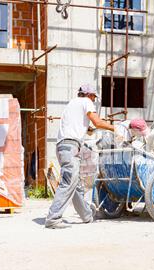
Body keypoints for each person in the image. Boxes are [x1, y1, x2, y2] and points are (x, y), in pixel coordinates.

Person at [45, 84, 114, 229]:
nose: (94, 101)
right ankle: (53, 218)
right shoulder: (86, 102)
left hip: (63, 147)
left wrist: (90, 129)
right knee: (68, 182)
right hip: (70, 147)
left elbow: (87, 127)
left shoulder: (72, 104)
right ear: (89, 95)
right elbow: (97, 121)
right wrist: (116, 127)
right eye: (94, 97)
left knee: (74, 184)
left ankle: (87, 216)